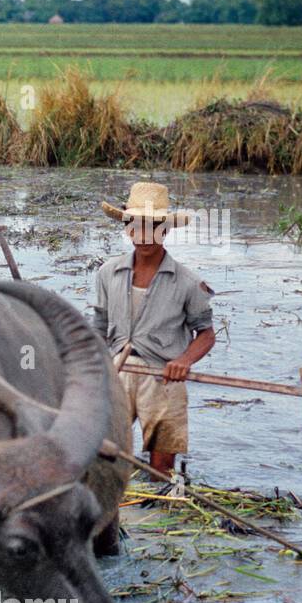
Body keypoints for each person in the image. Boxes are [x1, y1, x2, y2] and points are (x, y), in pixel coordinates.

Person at [93, 182, 216, 477]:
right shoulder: (108, 272)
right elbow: (98, 326)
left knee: (161, 469)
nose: (145, 236)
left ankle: (157, 515)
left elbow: (206, 334)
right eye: (137, 226)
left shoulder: (188, 282)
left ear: (166, 230)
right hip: (117, 372)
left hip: (162, 376)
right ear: (128, 229)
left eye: (154, 227)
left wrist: (184, 361)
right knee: (105, 458)